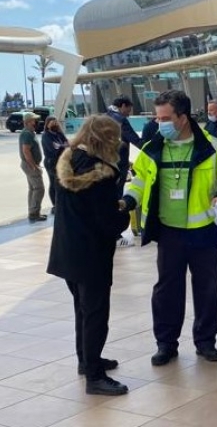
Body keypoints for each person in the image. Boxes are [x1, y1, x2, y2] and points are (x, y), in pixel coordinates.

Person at [121, 90, 217, 366]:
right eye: (157, 117)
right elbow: (138, 181)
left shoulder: (214, 147)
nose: (158, 122)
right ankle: (166, 343)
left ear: (183, 118)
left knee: (208, 290)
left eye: (165, 118)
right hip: (168, 232)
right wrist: (127, 200)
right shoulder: (152, 148)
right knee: (166, 291)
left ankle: (206, 341)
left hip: (204, 230)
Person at [46, 115, 131, 396]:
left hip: (66, 250)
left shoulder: (66, 161)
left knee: (81, 310)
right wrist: (125, 209)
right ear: (106, 140)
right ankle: (95, 376)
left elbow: (63, 206)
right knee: (95, 314)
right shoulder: (102, 174)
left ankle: (86, 360)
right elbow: (108, 222)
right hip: (92, 256)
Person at [106, 95, 143, 195]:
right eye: (128, 110)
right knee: (117, 192)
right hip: (119, 161)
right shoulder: (121, 120)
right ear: (123, 106)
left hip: (105, 160)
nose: (128, 114)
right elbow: (135, 140)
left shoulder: (103, 117)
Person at [19, 112, 46, 223]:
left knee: (33, 189)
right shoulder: (27, 134)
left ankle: (32, 212)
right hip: (30, 165)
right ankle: (34, 213)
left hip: (28, 164)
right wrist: (34, 166)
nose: (35, 122)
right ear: (28, 121)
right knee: (39, 189)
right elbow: (26, 151)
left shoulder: (29, 133)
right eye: (33, 120)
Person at [41, 116, 69, 213]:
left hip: (61, 161)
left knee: (62, 183)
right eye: (52, 123)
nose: (54, 124)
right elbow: (53, 150)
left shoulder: (59, 134)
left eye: (55, 122)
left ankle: (62, 203)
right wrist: (62, 146)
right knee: (54, 183)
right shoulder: (46, 136)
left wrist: (60, 146)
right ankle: (55, 205)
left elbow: (67, 145)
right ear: (47, 125)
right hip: (51, 162)